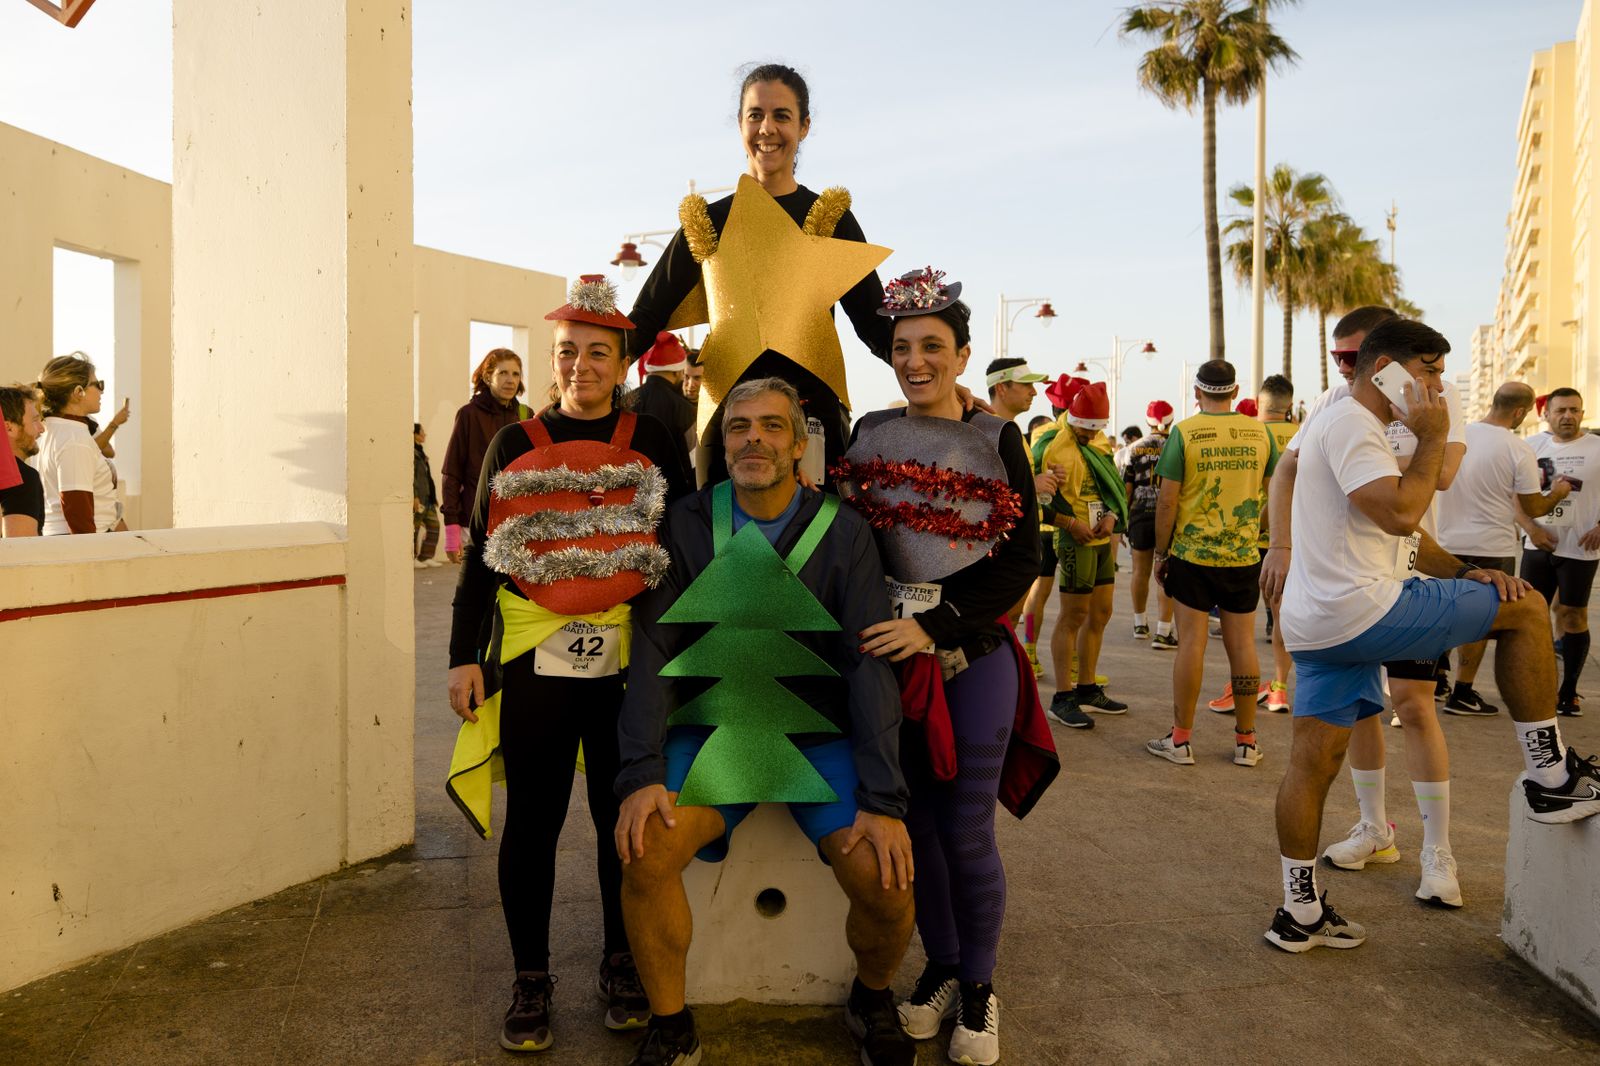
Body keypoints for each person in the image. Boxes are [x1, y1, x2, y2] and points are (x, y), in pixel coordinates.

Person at [1265, 318, 1600, 954]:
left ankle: (1298, 911)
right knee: (1528, 610)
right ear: (1384, 369)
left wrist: (1466, 571)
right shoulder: (1353, 423)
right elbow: (1401, 511)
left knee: (1311, 762)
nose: (1437, 387)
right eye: (1428, 371)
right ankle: (1553, 777)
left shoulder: (1339, 422)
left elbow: (1401, 535)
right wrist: (1434, 434)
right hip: (1366, 610)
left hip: (1317, 625)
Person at [614, 377, 917, 1066]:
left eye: (772, 426)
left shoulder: (845, 531)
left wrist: (883, 801)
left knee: (885, 876)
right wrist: (641, 772)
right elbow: (655, 649)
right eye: (739, 426)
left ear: (800, 443)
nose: (755, 438)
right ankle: (671, 1025)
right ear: (722, 445)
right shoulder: (686, 523)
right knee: (645, 849)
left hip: (817, 736)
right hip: (719, 730)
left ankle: (871, 999)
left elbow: (868, 664)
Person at [445, 277, 692, 1053]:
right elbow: (481, 559)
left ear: (622, 363)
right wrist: (463, 658)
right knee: (535, 820)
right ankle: (531, 977)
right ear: (551, 360)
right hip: (534, 663)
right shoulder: (513, 444)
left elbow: (683, 542)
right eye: (565, 352)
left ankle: (623, 961)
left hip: (629, 666)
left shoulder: (654, 439)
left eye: (596, 353)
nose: (579, 366)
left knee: (625, 819)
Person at [843, 275, 1052, 1066]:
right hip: (890, 667)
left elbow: (1022, 562)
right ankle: (941, 968)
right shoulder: (869, 433)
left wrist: (932, 627)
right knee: (918, 830)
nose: (916, 361)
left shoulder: (1000, 439)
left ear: (963, 356)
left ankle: (980, 989)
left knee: (966, 830)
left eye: (932, 346)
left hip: (973, 660)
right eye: (902, 348)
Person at [625, 63, 894, 486]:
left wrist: (936, 378)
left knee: (817, 528)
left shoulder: (830, 218)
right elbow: (645, 317)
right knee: (722, 528)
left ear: (804, 126)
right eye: (756, 115)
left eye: (782, 115)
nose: (767, 128)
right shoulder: (707, 222)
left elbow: (876, 325)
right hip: (729, 429)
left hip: (811, 431)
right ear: (740, 124)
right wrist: (585, 376)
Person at [1146, 361, 1277, 768]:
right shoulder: (1260, 433)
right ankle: (1246, 742)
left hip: (1192, 556)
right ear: (1235, 392)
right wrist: (1254, 533)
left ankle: (1181, 740)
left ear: (1197, 393)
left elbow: (1167, 501)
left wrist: (1161, 554)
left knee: (1191, 645)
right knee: (1243, 645)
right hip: (1242, 555)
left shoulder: (1185, 432)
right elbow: (1274, 495)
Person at [1437, 383, 1570, 715]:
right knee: (1478, 620)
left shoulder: (1457, 436)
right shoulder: (1518, 448)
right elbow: (1533, 506)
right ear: (1520, 412)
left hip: (1443, 543)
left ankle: (1435, 680)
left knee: (1441, 613)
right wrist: (1558, 493)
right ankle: (1462, 692)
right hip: (1490, 546)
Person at [1041, 381, 1129, 728]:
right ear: (1073, 418)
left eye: (1096, 430)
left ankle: (1087, 688)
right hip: (1070, 539)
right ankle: (1062, 697)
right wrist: (1070, 523)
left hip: (1098, 538)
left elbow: (1112, 487)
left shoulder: (1099, 442)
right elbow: (1035, 498)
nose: (1090, 437)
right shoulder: (1051, 444)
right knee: (1068, 614)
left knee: (1101, 612)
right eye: (1085, 430)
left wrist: (1112, 516)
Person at [1515, 387, 1600, 718]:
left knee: (1572, 616)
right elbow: (1515, 496)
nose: (1568, 416)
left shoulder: (1596, 447)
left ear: (1582, 414)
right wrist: (1531, 529)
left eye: (1574, 410)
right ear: (1546, 414)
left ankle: (1569, 692)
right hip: (1537, 545)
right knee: (1534, 617)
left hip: (1579, 548)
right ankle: (1539, 688)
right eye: (1561, 410)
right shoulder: (1531, 446)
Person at [441, 348, 534, 563]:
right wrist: (451, 531)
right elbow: (451, 472)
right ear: (487, 377)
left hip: (514, 523)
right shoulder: (468, 415)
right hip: (474, 523)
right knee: (476, 584)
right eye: (502, 373)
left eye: (515, 374)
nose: (510, 380)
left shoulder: (526, 415)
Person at [34, 354, 122, 535]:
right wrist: (90, 551)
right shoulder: (74, 439)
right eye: (98, 385)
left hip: (62, 537)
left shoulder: (49, 428)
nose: (101, 391)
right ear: (78, 392)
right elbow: (77, 509)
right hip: (82, 539)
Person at [1125, 400, 1177, 648]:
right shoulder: (1177, 445)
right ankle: (1163, 631)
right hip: (1169, 516)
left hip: (1139, 514)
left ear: (1148, 421)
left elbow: (1127, 487)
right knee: (1166, 572)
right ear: (1171, 420)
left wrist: (1125, 518)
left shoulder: (1134, 448)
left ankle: (1139, 623)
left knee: (1140, 571)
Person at [1020, 410, 1065, 678]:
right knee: (1038, 597)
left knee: (1040, 597)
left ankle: (1030, 651)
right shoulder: (1050, 442)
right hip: (1047, 529)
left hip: (1050, 528)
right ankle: (1029, 650)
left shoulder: (1032, 447)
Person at [625, 331, 698, 475]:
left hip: (628, 484)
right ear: (677, 372)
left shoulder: (625, 401)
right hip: (671, 487)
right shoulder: (685, 410)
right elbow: (694, 461)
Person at [1, 384, 45, 537]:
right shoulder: (21, 477)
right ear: (9, 428)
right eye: (34, 420)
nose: (41, 429)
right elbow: (20, 546)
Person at [413, 423, 442, 568]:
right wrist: (414, 496)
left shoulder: (421, 453)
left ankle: (425, 557)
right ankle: (412, 558)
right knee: (415, 528)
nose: (424, 434)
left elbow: (427, 477)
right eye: (422, 432)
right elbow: (412, 477)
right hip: (419, 498)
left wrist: (434, 496)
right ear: (414, 434)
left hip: (428, 497)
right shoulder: (411, 453)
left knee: (434, 525)